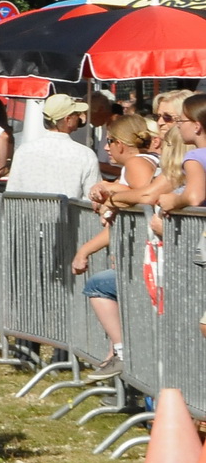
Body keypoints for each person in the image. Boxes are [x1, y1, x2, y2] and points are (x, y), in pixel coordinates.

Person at [70, 113, 164, 381]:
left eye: (110, 141)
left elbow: (146, 197)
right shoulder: (141, 163)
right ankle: (121, 361)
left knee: (98, 286)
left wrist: (114, 200)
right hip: (145, 252)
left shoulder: (136, 162)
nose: (107, 147)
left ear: (123, 142)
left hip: (151, 255)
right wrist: (108, 191)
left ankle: (122, 354)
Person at [4, 95, 100, 201]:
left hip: (28, 216)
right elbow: (93, 199)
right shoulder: (85, 154)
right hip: (67, 217)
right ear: (67, 119)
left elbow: (12, 194)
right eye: (76, 114)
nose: (80, 117)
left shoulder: (23, 151)